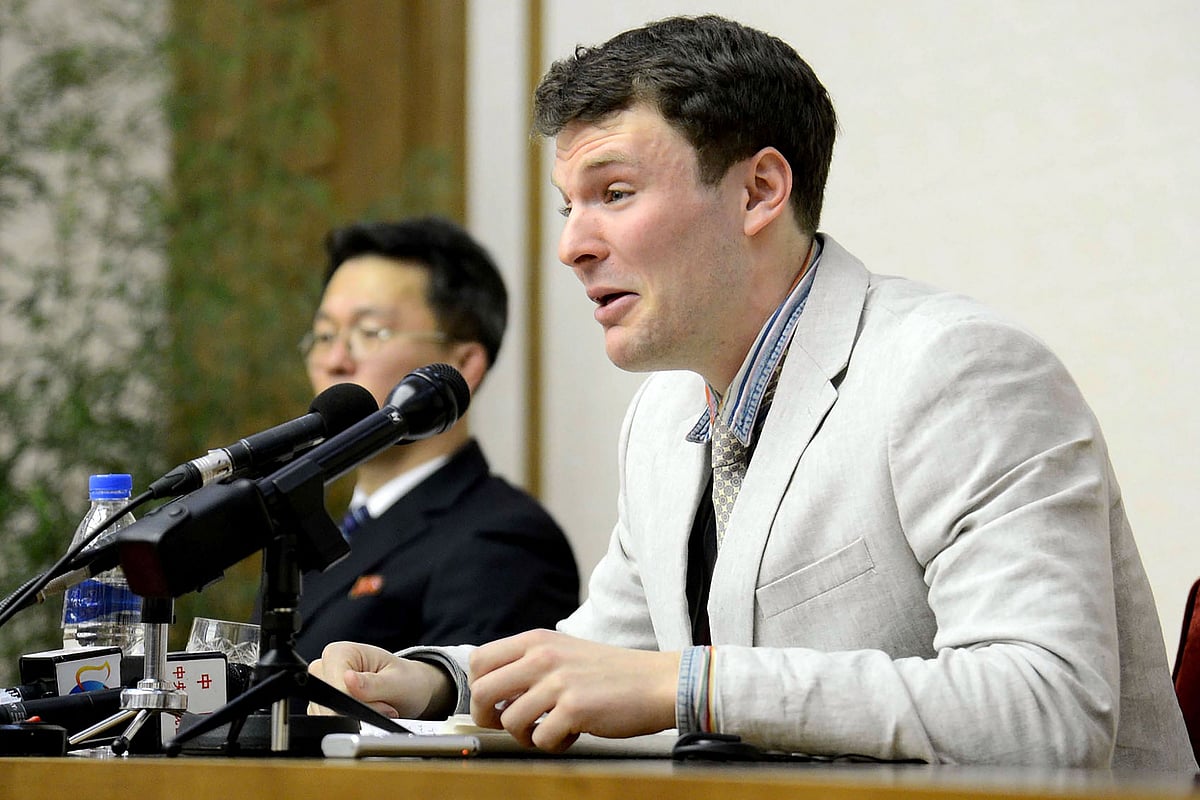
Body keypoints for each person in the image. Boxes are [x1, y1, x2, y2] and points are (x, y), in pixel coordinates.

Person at [308, 17, 1196, 769]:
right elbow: (598, 655)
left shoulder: (958, 370)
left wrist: (691, 684)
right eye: (566, 206)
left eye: (613, 192)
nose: (572, 245)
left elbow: (1053, 710)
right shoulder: (664, 414)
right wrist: (433, 682)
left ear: (760, 190)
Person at [291, 216, 579, 662]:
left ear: (461, 365)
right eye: (325, 335)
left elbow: (467, 724)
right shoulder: (313, 534)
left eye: (370, 333)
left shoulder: (503, 540)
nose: (333, 361)